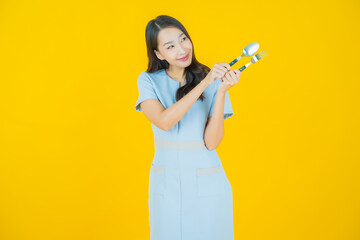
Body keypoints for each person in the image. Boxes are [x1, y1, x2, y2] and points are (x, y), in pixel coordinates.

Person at [135, 15, 241, 240]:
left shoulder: (211, 79)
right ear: (158, 54)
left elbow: (212, 143)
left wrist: (221, 91)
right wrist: (206, 83)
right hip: (167, 186)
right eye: (170, 46)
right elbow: (164, 121)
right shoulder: (148, 81)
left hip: (208, 184)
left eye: (183, 39)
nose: (182, 49)